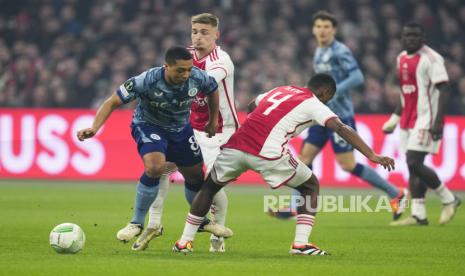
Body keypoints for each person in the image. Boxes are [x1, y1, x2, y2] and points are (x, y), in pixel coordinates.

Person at [172, 73, 396, 255]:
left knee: (209, 187)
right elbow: (341, 128)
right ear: (326, 93)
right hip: (267, 153)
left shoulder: (283, 89)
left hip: (236, 146)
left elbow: (253, 104)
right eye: (329, 98)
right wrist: (372, 154)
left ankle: (184, 242)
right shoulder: (314, 103)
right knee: (310, 185)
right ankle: (300, 244)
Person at [76, 46, 232, 245]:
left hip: (181, 129)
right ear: (166, 66)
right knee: (155, 167)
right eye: (180, 70)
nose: (186, 75)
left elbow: (213, 90)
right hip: (149, 126)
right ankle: (136, 223)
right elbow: (112, 101)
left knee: (195, 176)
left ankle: (200, 221)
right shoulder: (146, 80)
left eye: (189, 69)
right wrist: (94, 127)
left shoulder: (198, 77)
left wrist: (212, 121)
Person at [270, 11, 407, 220]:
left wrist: (334, 92)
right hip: (319, 114)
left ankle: (396, 193)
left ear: (333, 30)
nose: (322, 30)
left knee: (347, 164)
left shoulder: (339, 51)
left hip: (339, 117)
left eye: (326, 27)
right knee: (305, 158)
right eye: (318, 27)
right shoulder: (319, 52)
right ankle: (294, 206)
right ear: (313, 30)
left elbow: (357, 77)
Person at [132, 13, 238, 252]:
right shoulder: (185, 57)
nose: (198, 37)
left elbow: (206, 83)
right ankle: (154, 224)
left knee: (210, 184)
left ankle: (216, 237)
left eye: (204, 32)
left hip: (218, 130)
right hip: (188, 126)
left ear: (216, 35)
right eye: (194, 31)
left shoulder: (221, 60)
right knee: (161, 169)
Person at [383, 23, 461, 226]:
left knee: (413, 162)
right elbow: (405, 91)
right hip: (407, 119)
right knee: (413, 168)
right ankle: (419, 215)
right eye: (407, 35)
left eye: (415, 36)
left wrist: (438, 121)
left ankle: (449, 198)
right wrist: (395, 117)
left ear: (422, 37)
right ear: (401, 37)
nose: (411, 39)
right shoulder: (401, 58)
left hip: (426, 118)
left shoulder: (432, 59)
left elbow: (444, 90)